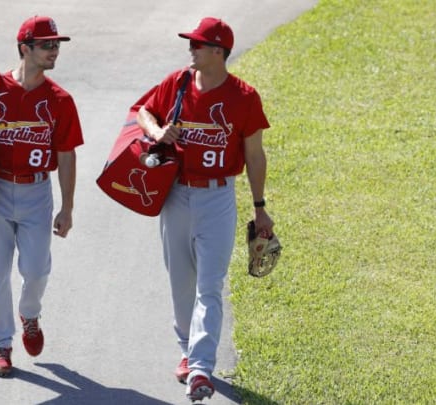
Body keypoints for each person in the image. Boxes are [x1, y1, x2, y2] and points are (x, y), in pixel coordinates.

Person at [136, 17, 274, 401]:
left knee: (209, 285)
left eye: (198, 44)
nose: (191, 49)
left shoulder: (244, 98)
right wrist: (157, 132)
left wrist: (260, 208)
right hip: (176, 196)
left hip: (217, 199)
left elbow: (254, 155)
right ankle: (186, 351)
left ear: (218, 52)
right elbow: (144, 112)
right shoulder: (177, 84)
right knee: (181, 283)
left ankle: (201, 369)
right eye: (191, 43)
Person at [0, 15, 83, 377]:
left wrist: (67, 207)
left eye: (57, 44)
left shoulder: (60, 100)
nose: (54, 50)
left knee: (36, 270)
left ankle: (30, 313)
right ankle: (1, 345)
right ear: (25, 48)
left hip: (37, 191)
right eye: (47, 45)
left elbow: (68, 155)